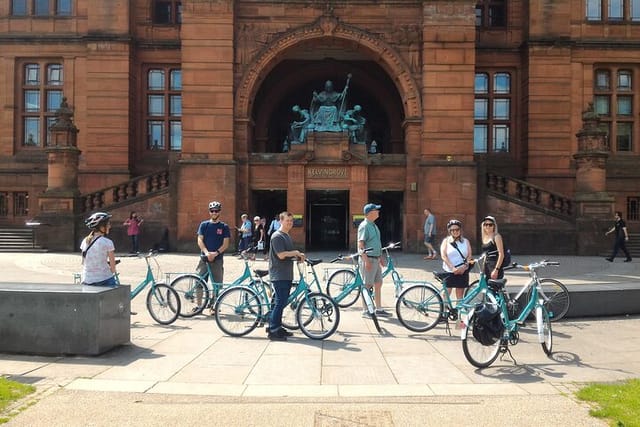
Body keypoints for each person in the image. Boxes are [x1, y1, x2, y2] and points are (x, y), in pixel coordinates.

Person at [268, 211, 305, 341]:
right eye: (287, 220)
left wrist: (298, 256)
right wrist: (295, 252)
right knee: (280, 302)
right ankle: (273, 331)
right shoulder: (277, 236)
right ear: (280, 221)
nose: (289, 223)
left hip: (286, 273)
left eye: (291, 221)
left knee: (279, 302)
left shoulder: (286, 236)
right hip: (279, 274)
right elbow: (281, 255)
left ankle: (276, 326)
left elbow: (288, 254)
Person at [196, 201, 230, 311]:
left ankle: (214, 305)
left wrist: (216, 253)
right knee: (199, 282)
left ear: (219, 212)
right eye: (212, 211)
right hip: (205, 258)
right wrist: (206, 252)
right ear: (209, 212)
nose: (214, 213)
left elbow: (226, 243)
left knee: (217, 284)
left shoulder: (224, 226)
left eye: (216, 211)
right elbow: (200, 240)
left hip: (217, 259)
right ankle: (199, 305)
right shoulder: (204, 225)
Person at [358, 203, 390, 317]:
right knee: (367, 285)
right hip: (369, 259)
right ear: (370, 213)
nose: (378, 211)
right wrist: (366, 260)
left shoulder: (373, 225)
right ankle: (366, 310)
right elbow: (361, 245)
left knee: (378, 283)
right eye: (376, 210)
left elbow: (377, 243)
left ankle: (379, 308)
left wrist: (380, 257)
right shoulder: (364, 226)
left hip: (375, 259)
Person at [80, 212, 117, 288]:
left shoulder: (85, 241)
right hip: (104, 279)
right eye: (108, 224)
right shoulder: (108, 242)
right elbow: (113, 269)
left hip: (87, 280)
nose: (109, 226)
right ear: (102, 227)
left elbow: (83, 262)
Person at [440, 219, 472, 301]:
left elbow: (469, 256)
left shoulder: (466, 241)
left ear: (460, 230)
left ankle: (457, 313)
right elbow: (443, 255)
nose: (455, 231)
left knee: (460, 295)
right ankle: (446, 311)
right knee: (446, 293)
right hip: (449, 271)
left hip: (462, 271)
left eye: (457, 229)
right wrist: (452, 268)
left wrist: (464, 267)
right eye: (452, 230)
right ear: (449, 231)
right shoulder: (446, 241)